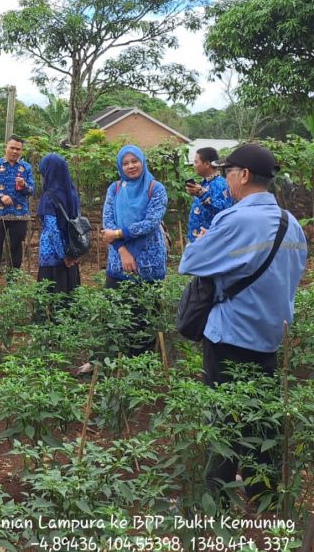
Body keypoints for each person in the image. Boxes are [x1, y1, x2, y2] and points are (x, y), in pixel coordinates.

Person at [179, 143, 307, 506]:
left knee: (223, 418)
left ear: (244, 175)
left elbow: (190, 261)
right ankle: (262, 494)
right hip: (270, 337)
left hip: (230, 336)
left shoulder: (235, 220)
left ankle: (217, 499)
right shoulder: (291, 224)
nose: (226, 179)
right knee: (261, 418)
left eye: (227, 173)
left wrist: (207, 243)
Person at [76, 144, 168, 374]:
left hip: (149, 262)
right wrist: (122, 250)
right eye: (125, 163)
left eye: (134, 161)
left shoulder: (156, 189)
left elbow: (151, 222)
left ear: (142, 161)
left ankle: (138, 369)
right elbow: (108, 223)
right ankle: (100, 362)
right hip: (119, 261)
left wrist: (119, 234)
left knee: (144, 315)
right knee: (111, 309)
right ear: (120, 166)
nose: (130, 166)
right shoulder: (115, 189)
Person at [0, 135, 34, 291]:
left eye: (18, 149)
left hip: (20, 215)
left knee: (16, 250)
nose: (15, 151)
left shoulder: (26, 168)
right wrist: (0, 196)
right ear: (6, 147)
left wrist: (24, 184)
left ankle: (12, 284)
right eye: (12, 148)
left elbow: (32, 190)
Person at [36, 153, 81, 303]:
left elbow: (52, 229)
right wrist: (69, 255)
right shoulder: (72, 193)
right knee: (70, 292)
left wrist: (62, 256)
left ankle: (49, 323)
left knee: (50, 295)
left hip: (52, 254)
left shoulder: (49, 196)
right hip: (71, 248)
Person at [185, 146, 232, 242]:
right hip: (197, 240)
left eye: (196, 162)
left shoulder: (220, 184)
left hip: (210, 242)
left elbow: (223, 210)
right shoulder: (204, 183)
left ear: (207, 164)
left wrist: (201, 194)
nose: (194, 165)